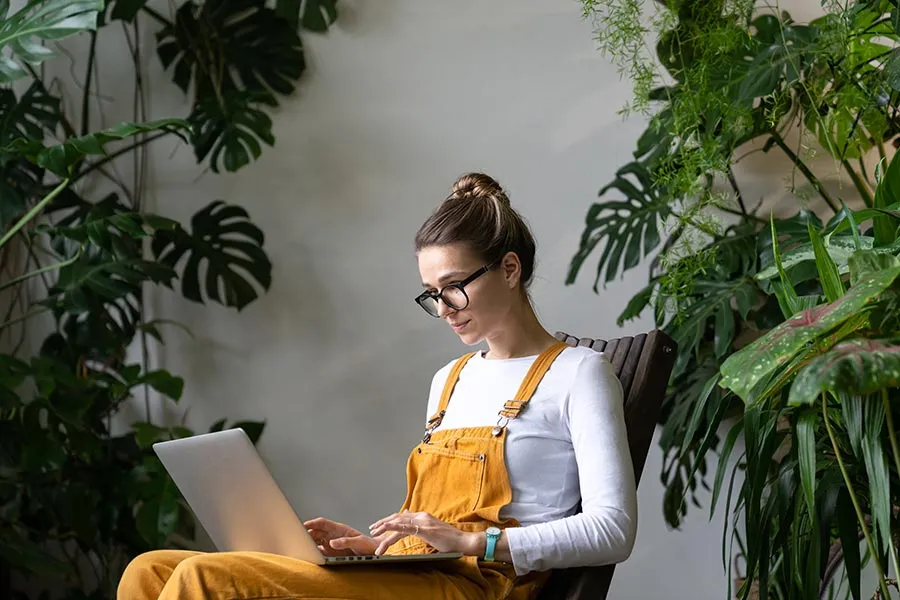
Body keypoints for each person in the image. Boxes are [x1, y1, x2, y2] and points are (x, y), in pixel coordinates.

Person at [117, 172, 637, 600]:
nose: (442, 310)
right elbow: (436, 527)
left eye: (454, 286)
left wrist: (474, 541)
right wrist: (374, 550)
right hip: (425, 579)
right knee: (150, 569)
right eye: (431, 293)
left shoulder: (578, 373)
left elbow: (613, 530)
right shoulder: (450, 380)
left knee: (199, 580)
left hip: (481, 590)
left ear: (508, 268)